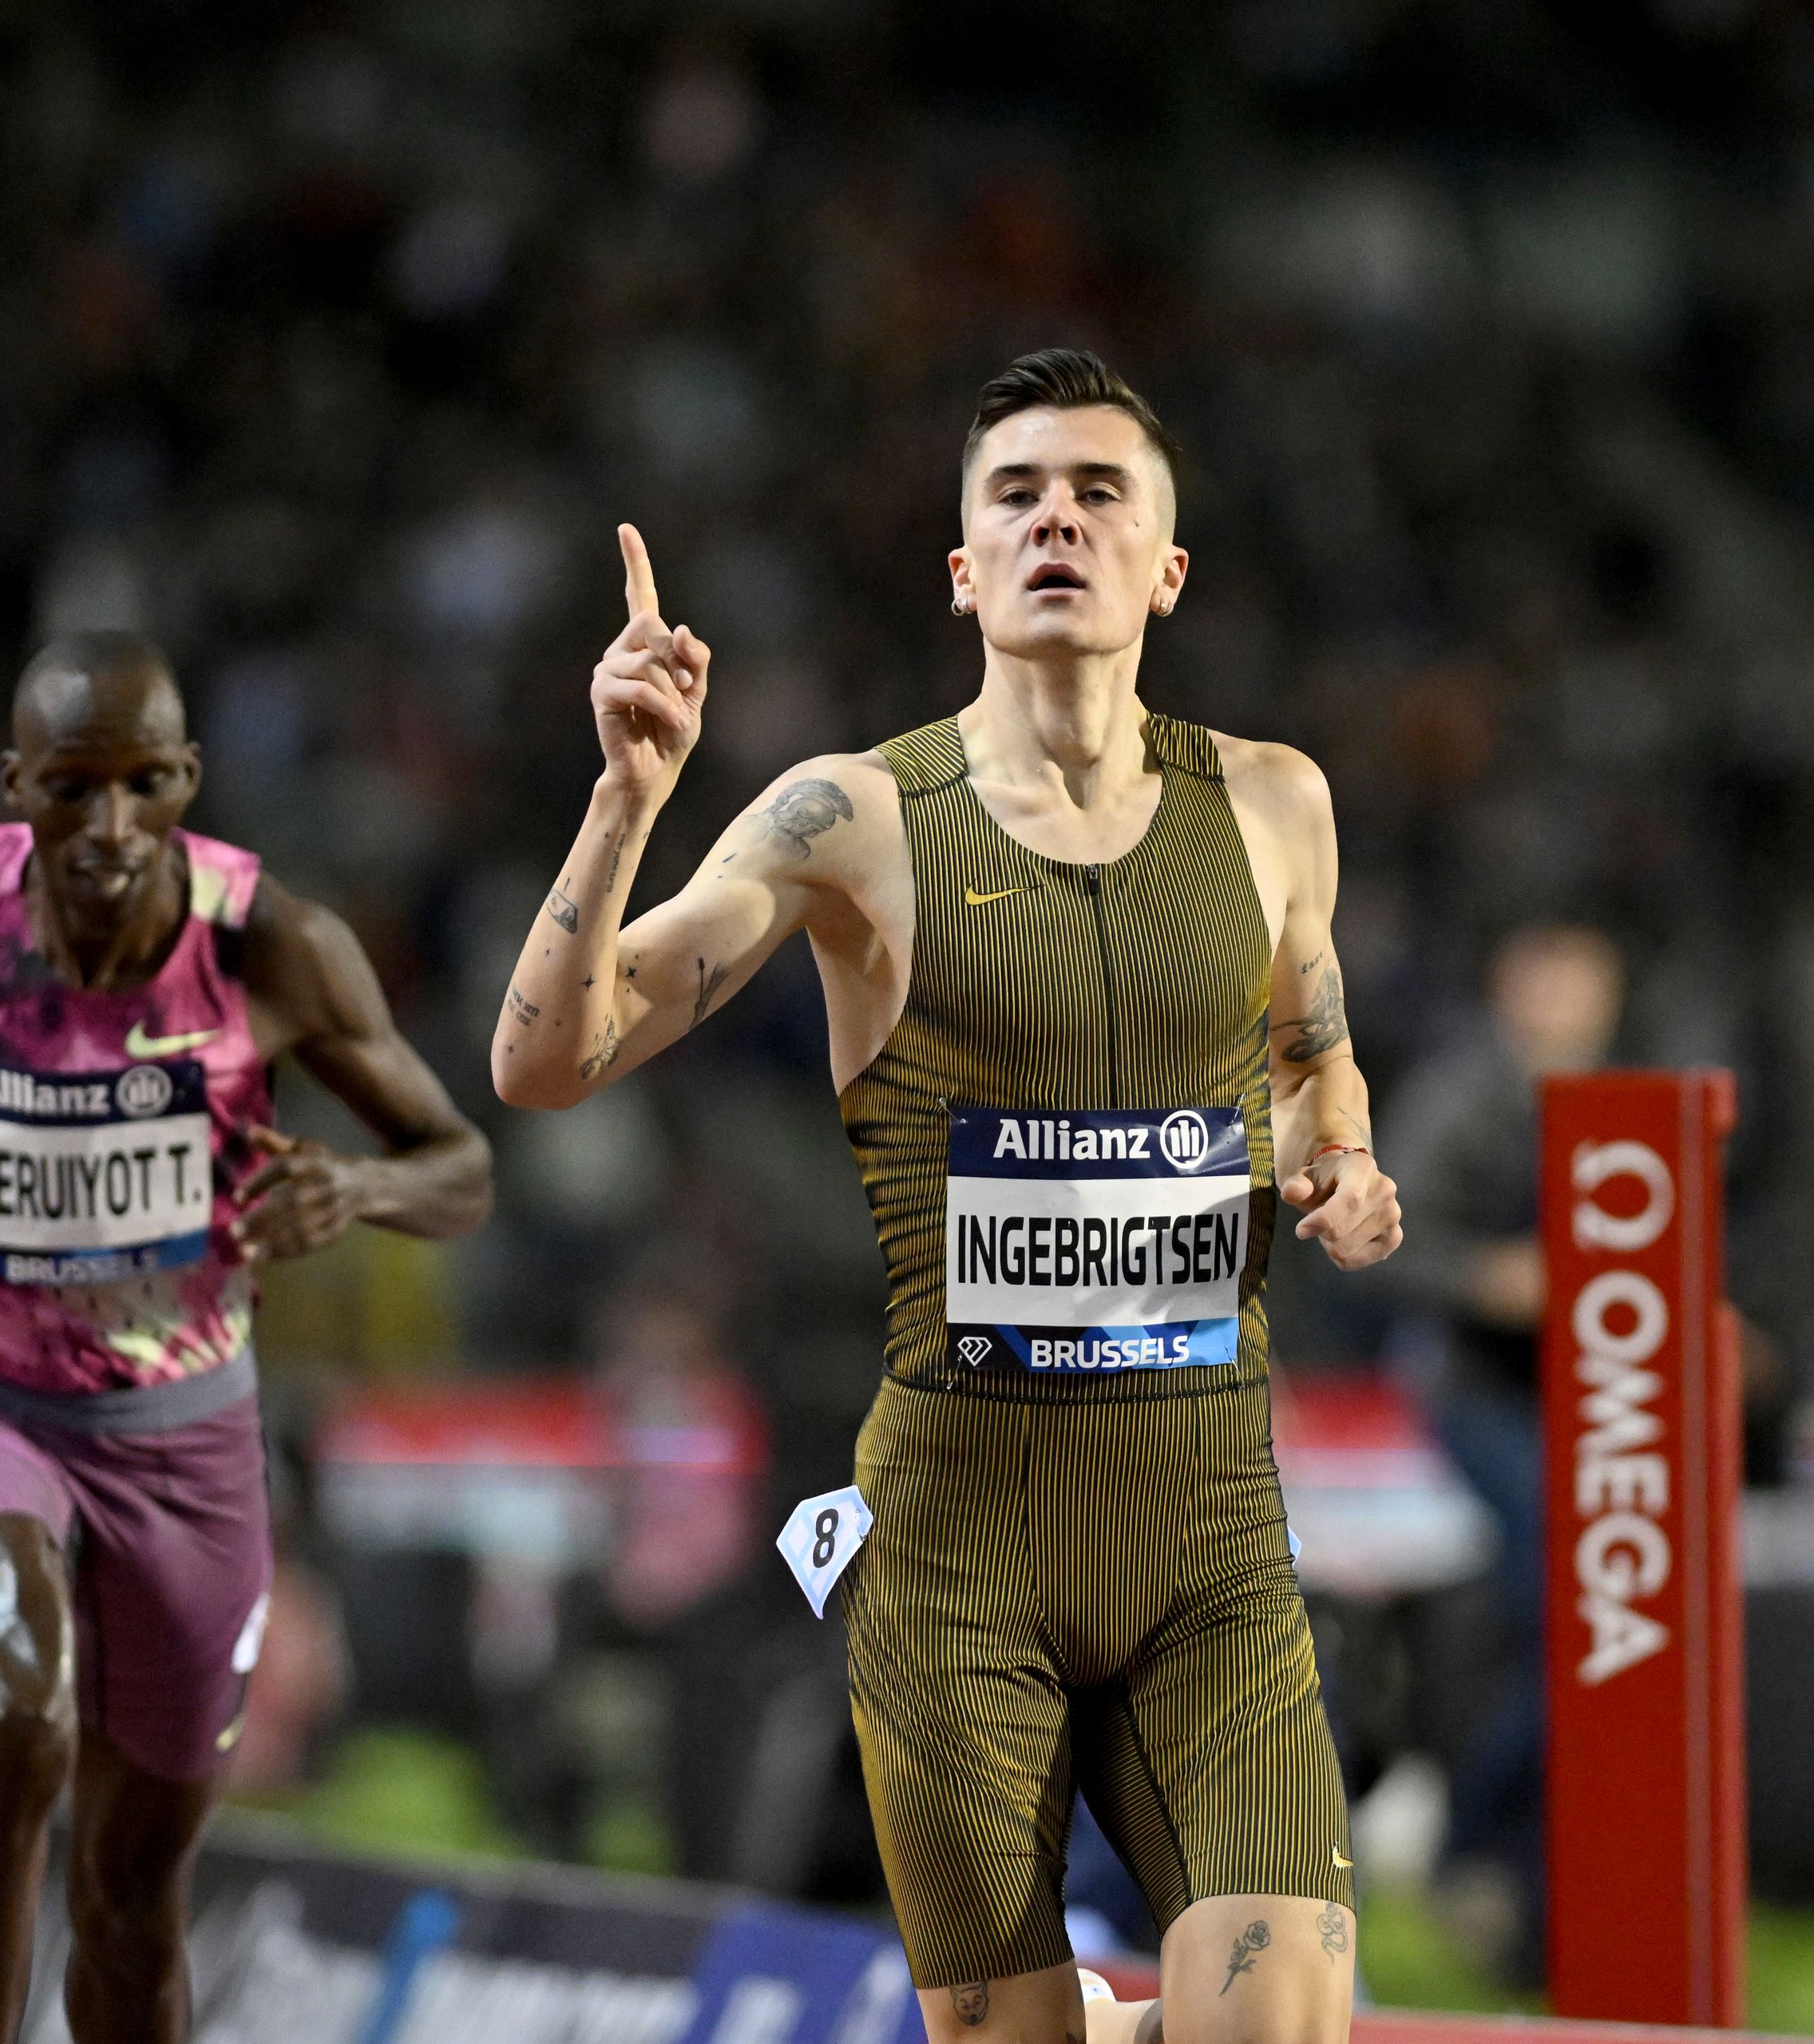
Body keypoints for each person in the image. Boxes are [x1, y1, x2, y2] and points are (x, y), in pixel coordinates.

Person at [493, 349, 1402, 2044]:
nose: (1059, 513)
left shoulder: (1275, 803)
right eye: (1017, 494)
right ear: (966, 570)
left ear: (1167, 568)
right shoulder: (849, 817)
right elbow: (546, 1060)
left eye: (1100, 490)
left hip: (1207, 1538)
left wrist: (1337, 1153)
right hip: (956, 1554)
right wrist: (626, 799)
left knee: (1276, 2026)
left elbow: (1309, 1050)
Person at [0, 632, 493, 2044]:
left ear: (187, 779)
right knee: (16, 1717)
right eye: (71, 790)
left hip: (184, 1444)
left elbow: (461, 1166)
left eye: (141, 787)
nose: (107, 829)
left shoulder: (267, 943)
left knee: (130, 1889)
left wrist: (353, 1185)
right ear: (14, 786)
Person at [1376, 921, 1625, 1984]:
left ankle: (1515, 1867)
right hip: (1478, 1389)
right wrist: (1488, 1277)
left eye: (1588, 980)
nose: (1569, 1002)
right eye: (1551, 977)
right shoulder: (1458, 1097)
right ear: (1509, 984)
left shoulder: (1626, 1107)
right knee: (1571, 1609)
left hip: (1600, 1396)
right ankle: (1466, 1833)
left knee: (1589, 1623)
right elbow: (1381, 1239)